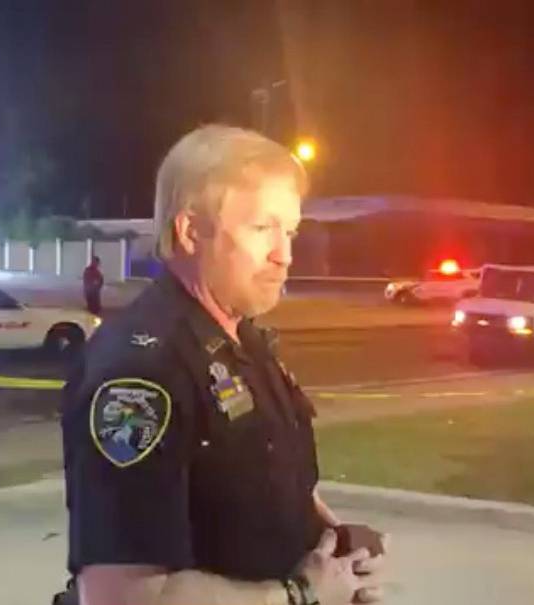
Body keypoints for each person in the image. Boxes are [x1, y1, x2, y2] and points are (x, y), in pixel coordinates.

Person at [56, 125, 388, 605]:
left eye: (290, 231)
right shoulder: (141, 375)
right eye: (261, 229)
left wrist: (336, 545)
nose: (285, 255)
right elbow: (121, 596)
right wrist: (302, 596)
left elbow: (263, 474)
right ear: (191, 231)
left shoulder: (244, 338)